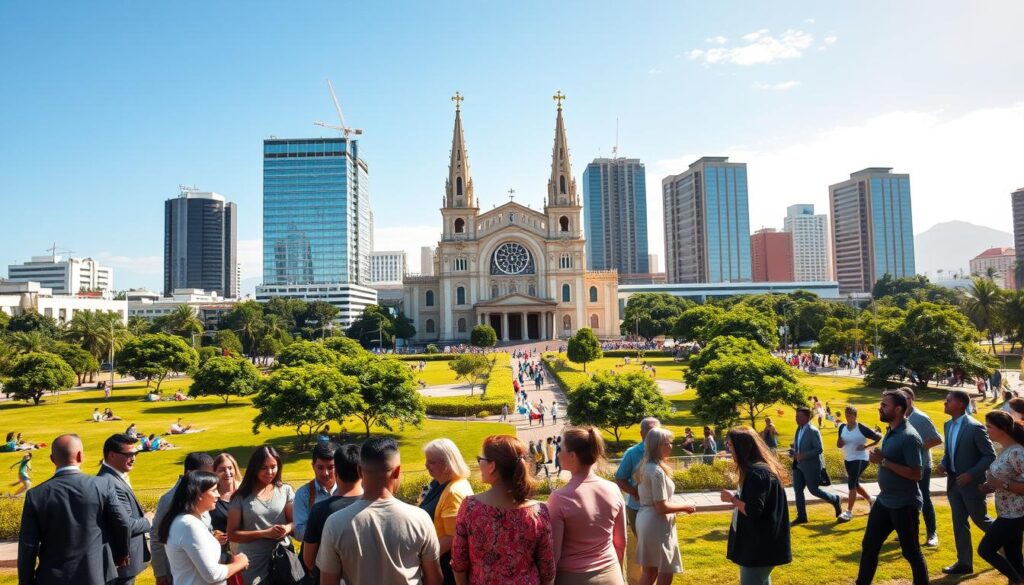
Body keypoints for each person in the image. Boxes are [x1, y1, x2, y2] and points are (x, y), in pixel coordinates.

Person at [317, 437, 442, 585]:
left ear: (359, 471)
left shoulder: (335, 523)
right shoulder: (420, 519)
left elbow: (328, 582)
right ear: (397, 472)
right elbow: (435, 579)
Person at [17, 434, 131, 585]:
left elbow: (27, 546)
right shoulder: (102, 485)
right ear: (80, 456)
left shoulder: (36, 495)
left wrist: (26, 581)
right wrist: (121, 554)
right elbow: (123, 523)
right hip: (96, 574)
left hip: (52, 577)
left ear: (52, 459)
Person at [451, 435, 555, 585]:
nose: (479, 463)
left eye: (480, 459)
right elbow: (547, 570)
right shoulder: (539, 512)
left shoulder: (470, 508)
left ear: (492, 466)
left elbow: (459, 563)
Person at [856, 390, 928, 585]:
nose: (880, 407)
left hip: (904, 504)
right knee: (869, 545)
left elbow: (916, 473)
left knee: (911, 552)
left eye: (884, 405)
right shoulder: (890, 431)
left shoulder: (909, 436)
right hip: (885, 500)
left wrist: (884, 461)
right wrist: (880, 458)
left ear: (898, 409)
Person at [548, 426, 626, 585]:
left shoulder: (559, 498)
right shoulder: (613, 489)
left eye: (560, 449)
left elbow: (553, 554)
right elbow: (621, 541)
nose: (557, 453)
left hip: (573, 577)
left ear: (572, 456)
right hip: (612, 574)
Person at [719, 427, 791, 585]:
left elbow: (753, 511)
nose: (728, 449)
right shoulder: (759, 470)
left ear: (742, 447)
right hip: (761, 546)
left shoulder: (756, 473)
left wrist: (733, 499)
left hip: (759, 549)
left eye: (730, 446)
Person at [937, 389, 996, 574]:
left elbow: (989, 455)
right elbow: (949, 452)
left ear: (961, 404)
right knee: (959, 522)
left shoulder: (974, 427)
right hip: (954, 483)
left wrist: (971, 474)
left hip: (971, 484)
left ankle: (1011, 546)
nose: (944, 403)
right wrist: (943, 463)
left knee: (981, 520)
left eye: (948, 401)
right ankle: (964, 563)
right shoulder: (947, 425)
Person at [159, 470, 250, 585]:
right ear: (198, 495)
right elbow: (212, 575)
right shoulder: (189, 525)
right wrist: (239, 563)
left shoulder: (188, 521)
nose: (218, 494)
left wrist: (228, 558)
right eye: (213, 490)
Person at [634, 427, 695, 585]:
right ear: (656, 446)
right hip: (656, 523)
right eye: (667, 443)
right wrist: (686, 506)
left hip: (646, 519)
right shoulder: (656, 472)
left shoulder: (646, 467)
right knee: (666, 570)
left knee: (650, 571)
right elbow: (661, 507)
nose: (670, 446)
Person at [227, 445, 295, 584]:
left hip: (282, 559)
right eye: (264, 467)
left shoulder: (285, 490)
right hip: (252, 562)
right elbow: (232, 534)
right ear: (254, 467)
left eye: (273, 466)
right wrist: (264, 533)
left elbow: (295, 522)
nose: (270, 472)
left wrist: (287, 529)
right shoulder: (240, 497)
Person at [151, 452, 217, 585]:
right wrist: (161, 573)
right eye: (204, 474)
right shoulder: (169, 500)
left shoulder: (202, 496)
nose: (208, 479)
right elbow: (157, 537)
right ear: (189, 473)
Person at [301, 444, 363, 580]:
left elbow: (309, 560)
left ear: (336, 472)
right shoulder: (375, 505)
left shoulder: (320, 510)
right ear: (362, 471)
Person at [977, 410, 1024, 583]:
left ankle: (1018, 581)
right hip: (1007, 512)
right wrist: (990, 487)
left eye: (989, 426)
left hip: (1017, 514)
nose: (985, 429)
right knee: (1014, 556)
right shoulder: (1005, 450)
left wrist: (1001, 485)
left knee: (986, 550)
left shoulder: (1017, 452)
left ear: (1002, 428)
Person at [98, 433, 151, 585]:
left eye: (135, 453)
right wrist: (149, 520)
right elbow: (126, 524)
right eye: (128, 454)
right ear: (112, 455)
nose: (133, 458)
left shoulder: (117, 477)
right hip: (122, 564)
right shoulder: (109, 482)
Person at [420, 438, 474, 585]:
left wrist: (423, 560)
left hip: (445, 567)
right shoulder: (439, 483)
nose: (426, 465)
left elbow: (451, 538)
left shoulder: (453, 492)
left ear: (447, 463)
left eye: (431, 462)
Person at [899, 386, 943, 546]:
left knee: (924, 498)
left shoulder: (920, 418)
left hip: (921, 465)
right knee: (906, 499)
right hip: (905, 467)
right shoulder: (899, 417)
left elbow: (938, 439)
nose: (904, 401)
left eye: (906, 398)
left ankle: (932, 534)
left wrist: (917, 447)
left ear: (911, 399)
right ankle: (908, 531)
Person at [789, 406, 843, 525]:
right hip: (798, 466)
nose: (796, 418)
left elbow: (819, 449)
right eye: (796, 416)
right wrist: (793, 450)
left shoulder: (813, 430)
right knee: (798, 491)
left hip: (810, 466)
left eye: (799, 416)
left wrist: (803, 455)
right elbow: (800, 445)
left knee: (813, 490)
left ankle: (835, 499)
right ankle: (802, 516)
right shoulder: (799, 428)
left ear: (807, 417)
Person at [614, 417, 660, 535]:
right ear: (641, 433)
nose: (653, 435)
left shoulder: (662, 451)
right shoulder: (632, 453)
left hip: (659, 508)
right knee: (644, 546)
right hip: (638, 508)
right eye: (650, 431)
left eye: (656, 431)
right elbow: (620, 478)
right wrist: (635, 492)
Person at [836, 406, 882, 521]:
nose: (847, 417)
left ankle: (848, 512)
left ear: (855, 416)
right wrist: (840, 443)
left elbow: (878, 437)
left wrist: (866, 446)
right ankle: (871, 499)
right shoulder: (842, 427)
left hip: (861, 458)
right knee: (855, 483)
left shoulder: (861, 428)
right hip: (848, 458)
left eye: (850, 415)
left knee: (851, 482)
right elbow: (839, 444)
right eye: (846, 415)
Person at [292, 441, 338, 541]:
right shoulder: (304, 494)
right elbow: (299, 532)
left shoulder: (348, 491)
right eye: (320, 467)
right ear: (313, 466)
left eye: (330, 468)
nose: (325, 473)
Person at [210, 453, 241, 534]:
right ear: (214, 473)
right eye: (222, 470)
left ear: (235, 469)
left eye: (230, 468)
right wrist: (213, 534)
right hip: (221, 544)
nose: (227, 472)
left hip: (247, 542)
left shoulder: (245, 490)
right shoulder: (210, 495)